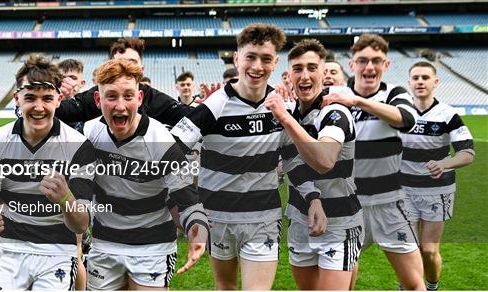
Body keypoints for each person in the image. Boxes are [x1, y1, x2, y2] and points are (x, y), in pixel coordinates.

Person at [170, 24, 326, 290]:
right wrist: (188, 208)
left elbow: (292, 158)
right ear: (236, 59)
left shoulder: (281, 109)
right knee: (226, 287)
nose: (257, 66)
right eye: (250, 57)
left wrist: (313, 198)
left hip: (262, 218)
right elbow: (170, 153)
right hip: (217, 217)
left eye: (266, 59)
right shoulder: (212, 106)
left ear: (276, 62)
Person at [0, 54, 95, 290]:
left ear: (58, 100)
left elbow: (81, 225)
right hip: (8, 248)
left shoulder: (78, 146)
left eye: (47, 98)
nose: (39, 107)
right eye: (30, 98)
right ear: (17, 99)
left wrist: (66, 198)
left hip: (56, 250)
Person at [83, 59, 209, 290]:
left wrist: (197, 232)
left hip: (153, 246)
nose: (120, 106)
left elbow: (186, 196)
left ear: (139, 99)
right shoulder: (90, 133)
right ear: (98, 100)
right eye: (111, 96)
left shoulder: (160, 139)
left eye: (128, 96)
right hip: (105, 244)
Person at [322, 34, 425, 290]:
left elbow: (406, 119)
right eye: (363, 61)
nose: (370, 67)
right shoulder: (333, 95)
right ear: (352, 64)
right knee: (343, 283)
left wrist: (357, 102)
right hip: (345, 205)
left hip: (388, 203)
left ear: (386, 65)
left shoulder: (394, 93)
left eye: (377, 61)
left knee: (414, 284)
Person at [265, 38, 362, 290]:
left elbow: (325, 161)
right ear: (289, 75)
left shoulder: (335, 113)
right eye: (298, 69)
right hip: (299, 218)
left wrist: (285, 119)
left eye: (312, 68)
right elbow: (290, 160)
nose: (305, 75)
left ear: (323, 73)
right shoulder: (290, 111)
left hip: (339, 222)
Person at [402, 61, 475, 291]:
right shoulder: (399, 114)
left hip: (437, 191)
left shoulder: (448, 114)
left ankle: (432, 287)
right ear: (409, 83)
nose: (420, 82)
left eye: (425, 77)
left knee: (429, 250)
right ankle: (408, 286)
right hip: (404, 190)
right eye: (415, 78)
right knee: (408, 248)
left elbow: (467, 153)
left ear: (435, 82)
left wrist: (445, 163)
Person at [55, 37, 192, 127]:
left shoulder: (153, 98)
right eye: (119, 63)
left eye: (131, 63)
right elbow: (57, 113)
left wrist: (211, 106)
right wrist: (55, 95)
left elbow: (190, 117)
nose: (124, 68)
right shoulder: (96, 94)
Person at [58, 59, 87, 133]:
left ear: (82, 83)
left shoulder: (89, 107)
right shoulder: (49, 107)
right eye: (62, 78)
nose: (66, 81)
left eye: (73, 78)